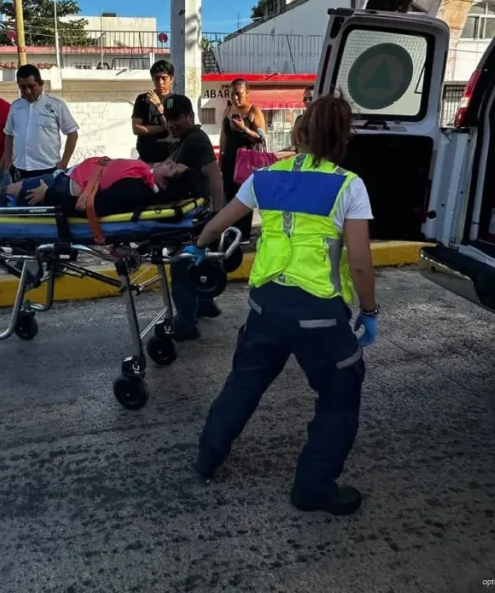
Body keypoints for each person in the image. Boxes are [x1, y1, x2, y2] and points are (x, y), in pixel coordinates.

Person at [188, 95, 378, 516]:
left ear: (300, 132)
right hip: (319, 315)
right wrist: (369, 312)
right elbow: (361, 264)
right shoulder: (349, 185)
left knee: (243, 383)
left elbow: (220, 222)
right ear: (343, 138)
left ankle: (207, 457)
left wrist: (199, 246)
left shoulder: (265, 176)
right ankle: (313, 487)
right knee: (339, 395)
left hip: (266, 307)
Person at [161, 93, 226, 340]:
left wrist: (217, 216)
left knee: (181, 269)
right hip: (193, 215)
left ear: (190, 116)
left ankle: (186, 324)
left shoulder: (196, 140)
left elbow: (215, 177)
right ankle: (205, 304)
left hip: (193, 216)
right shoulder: (185, 140)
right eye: (168, 119)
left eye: (176, 118)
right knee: (198, 262)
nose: (171, 124)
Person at [0, 157, 199, 217]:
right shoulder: (143, 181)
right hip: (70, 178)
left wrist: (49, 194)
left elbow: (92, 207)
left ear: (164, 183)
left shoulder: (134, 190)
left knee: (11, 191)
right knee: (10, 190)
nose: (169, 162)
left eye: (172, 168)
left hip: (62, 188)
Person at [0, 64, 79, 180]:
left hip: (48, 169)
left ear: (41, 84)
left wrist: (63, 163)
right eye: (23, 87)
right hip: (20, 169)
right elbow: (9, 134)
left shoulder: (56, 104)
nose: (27, 91)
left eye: (31, 86)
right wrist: (8, 162)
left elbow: (72, 134)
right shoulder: (15, 106)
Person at [219, 78, 267, 240]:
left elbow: (262, 138)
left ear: (247, 93)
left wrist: (244, 129)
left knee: (244, 197)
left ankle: (243, 235)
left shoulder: (254, 110)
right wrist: (221, 156)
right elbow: (223, 136)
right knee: (229, 197)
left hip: (246, 163)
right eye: (232, 94)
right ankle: (230, 232)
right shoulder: (227, 110)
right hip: (229, 160)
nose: (235, 97)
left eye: (239, 94)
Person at [131, 60, 174, 164]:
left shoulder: (174, 100)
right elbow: (136, 128)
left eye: (164, 78)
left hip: (169, 161)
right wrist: (163, 128)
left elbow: (172, 128)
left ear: (171, 79)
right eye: (157, 78)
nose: (160, 82)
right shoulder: (143, 99)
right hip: (145, 160)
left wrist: (158, 105)